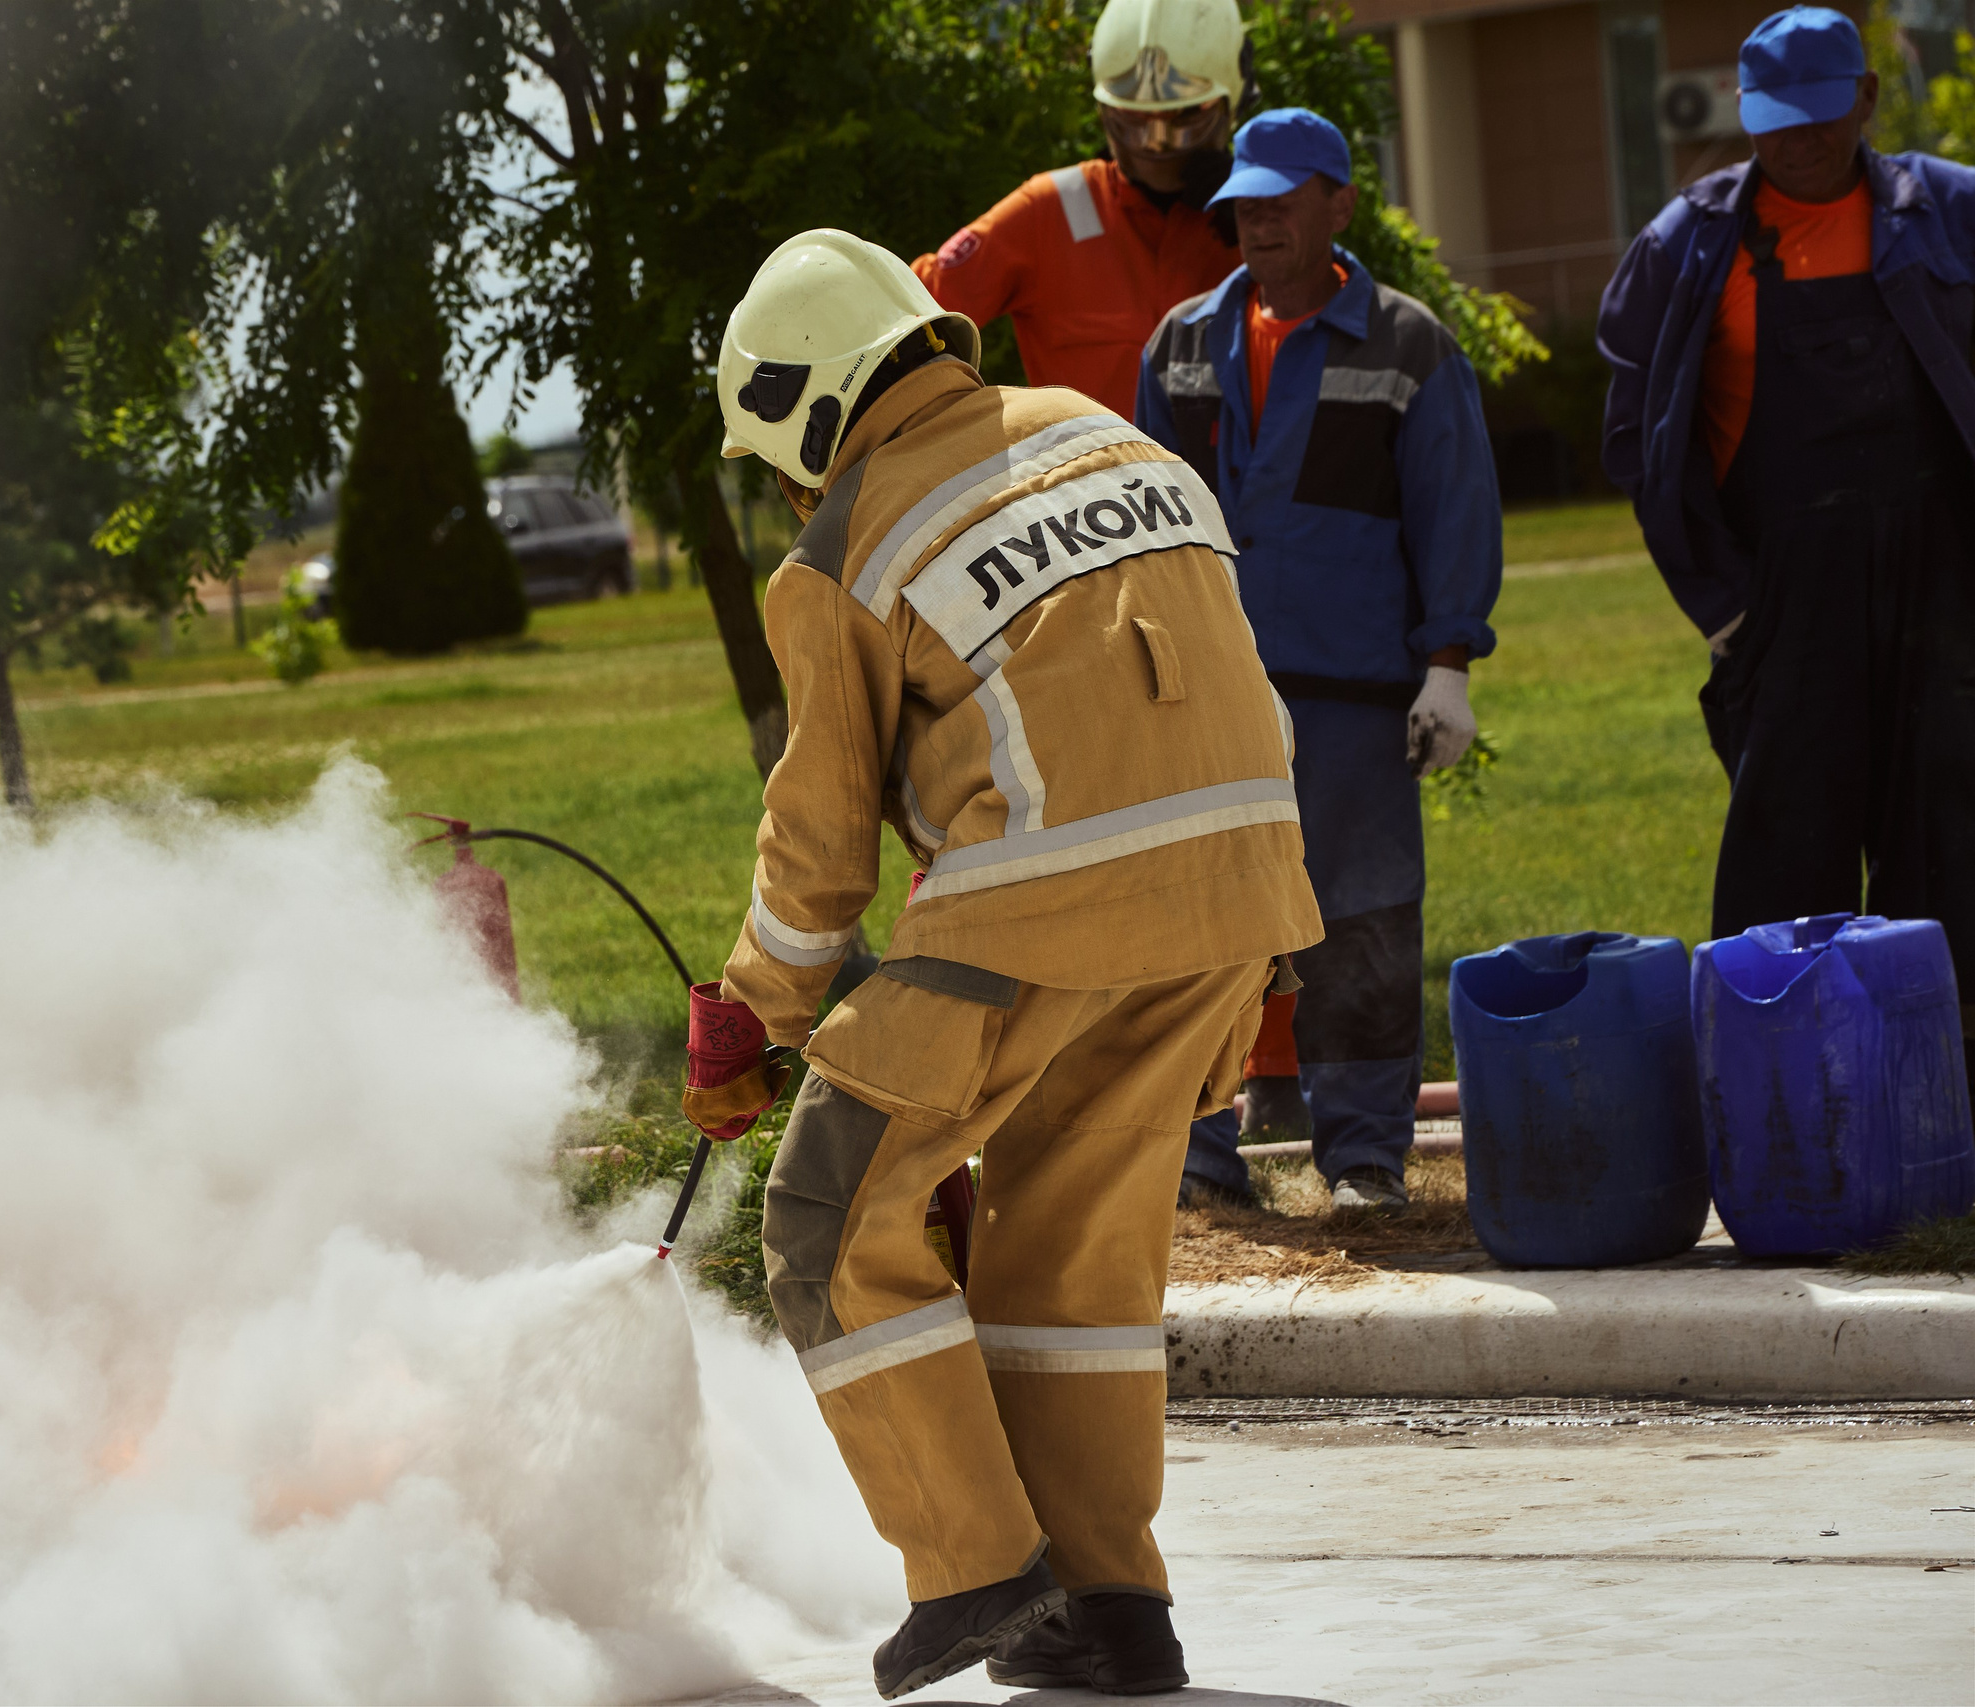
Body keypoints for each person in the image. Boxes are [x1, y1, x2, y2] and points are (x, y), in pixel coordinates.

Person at [683, 227, 1320, 1699]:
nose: (789, 495)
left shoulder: (843, 549)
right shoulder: (1103, 434)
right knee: (1063, 1261)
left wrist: (751, 1020)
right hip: (1240, 896)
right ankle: (1109, 1612)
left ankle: (973, 1566)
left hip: (1046, 904)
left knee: (828, 1216)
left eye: (778, 465)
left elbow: (819, 851)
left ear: (804, 407)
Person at [1137, 109, 1502, 1212]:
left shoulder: (1406, 347)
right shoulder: (1180, 346)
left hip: (1353, 696)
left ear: (1340, 204)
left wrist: (1449, 666)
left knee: (1362, 922)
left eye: (1282, 203)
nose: (1259, 223)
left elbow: (1454, 511)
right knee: (1200, 924)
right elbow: (1143, 522)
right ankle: (1198, 1159)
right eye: (1244, 205)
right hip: (1212, 696)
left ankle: (1363, 1159)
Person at [1599, 6, 1975, 1034]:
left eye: (1820, 114)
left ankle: (1948, 1087)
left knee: (1951, 848)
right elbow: (1638, 439)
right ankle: (1784, 1085)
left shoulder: (1950, 212)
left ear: (1866, 98)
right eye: (1775, 118)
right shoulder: (1686, 244)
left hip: (1944, 593)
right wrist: (1723, 607)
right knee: (1787, 859)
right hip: (1783, 597)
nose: (1798, 139)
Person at [909, 0, 1247, 417]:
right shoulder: (1051, 211)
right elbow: (905, 316)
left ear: (1233, 99)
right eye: (1133, 118)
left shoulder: (1259, 221)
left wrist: (1257, 231)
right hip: (1091, 462)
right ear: (1104, 108)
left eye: (1186, 116)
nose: (1156, 141)